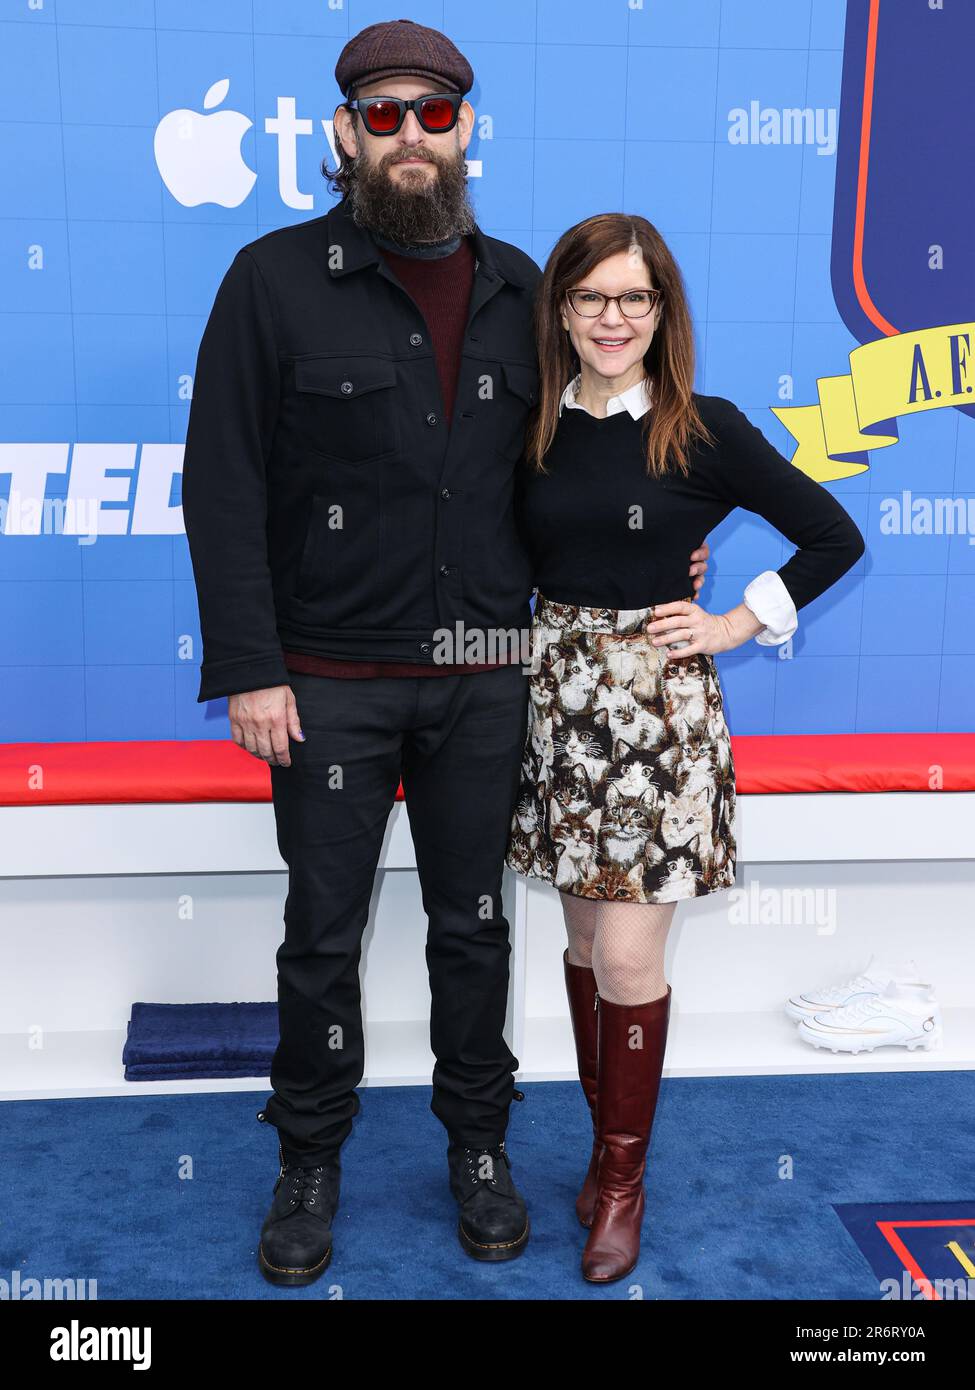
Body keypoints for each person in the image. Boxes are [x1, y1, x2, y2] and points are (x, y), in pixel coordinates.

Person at [182, 19, 710, 1286]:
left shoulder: (531, 290)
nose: (409, 136)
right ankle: (308, 1157)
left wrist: (659, 557)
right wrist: (252, 664)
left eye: (433, 114)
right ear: (342, 134)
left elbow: (577, 466)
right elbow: (223, 480)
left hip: (489, 679)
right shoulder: (270, 279)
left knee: (474, 928)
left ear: (468, 131)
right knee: (323, 928)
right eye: (382, 114)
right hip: (323, 683)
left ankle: (480, 1148)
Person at [505, 213, 865, 1283]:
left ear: (663, 312)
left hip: (657, 718)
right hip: (555, 707)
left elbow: (833, 535)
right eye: (591, 297)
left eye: (635, 297)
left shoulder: (702, 425)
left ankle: (623, 1179)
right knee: (579, 952)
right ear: (561, 310)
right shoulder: (530, 427)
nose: (613, 318)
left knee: (626, 957)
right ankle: (600, 1147)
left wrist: (735, 621)